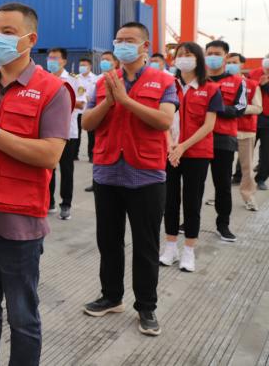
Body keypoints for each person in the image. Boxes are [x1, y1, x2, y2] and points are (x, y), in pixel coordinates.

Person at [0, 2, 73, 365]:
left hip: (18, 223)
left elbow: (50, 155)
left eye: (7, 32)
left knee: (23, 317)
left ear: (30, 39)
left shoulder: (53, 90)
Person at [81, 22, 176, 337]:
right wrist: (109, 101)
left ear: (145, 46)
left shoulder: (164, 80)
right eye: (118, 39)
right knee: (108, 241)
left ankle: (146, 306)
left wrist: (125, 100)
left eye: (129, 40)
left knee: (146, 245)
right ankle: (111, 296)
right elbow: (86, 123)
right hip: (107, 172)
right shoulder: (103, 81)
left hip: (146, 174)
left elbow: (164, 120)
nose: (122, 44)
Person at [160, 42, 222, 273]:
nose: (184, 58)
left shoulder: (211, 88)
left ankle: (189, 250)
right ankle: (170, 247)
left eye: (189, 54)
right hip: (170, 151)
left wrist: (183, 147)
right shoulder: (169, 85)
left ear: (198, 59)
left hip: (197, 153)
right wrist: (171, 146)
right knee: (169, 200)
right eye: (180, 54)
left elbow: (209, 125)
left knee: (192, 202)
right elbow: (164, 120)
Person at [203, 40, 246, 242]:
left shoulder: (238, 81)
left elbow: (240, 108)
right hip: (198, 138)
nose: (212, 56)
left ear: (226, 56)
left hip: (223, 139)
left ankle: (223, 225)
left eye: (217, 53)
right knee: (194, 185)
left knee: (222, 185)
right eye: (209, 53)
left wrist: (215, 107)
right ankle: (190, 221)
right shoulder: (197, 79)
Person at [46, 47, 86, 219]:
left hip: (67, 131)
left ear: (64, 61)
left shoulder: (74, 79)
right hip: (47, 131)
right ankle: (49, 202)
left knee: (66, 169)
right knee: (48, 168)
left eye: (55, 58)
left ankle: (66, 204)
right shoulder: (44, 78)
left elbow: (81, 103)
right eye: (49, 58)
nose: (51, 61)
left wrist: (59, 100)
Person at [229, 52, 262, 210]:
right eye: (228, 62)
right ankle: (218, 195)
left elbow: (258, 108)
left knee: (247, 167)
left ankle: (248, 196)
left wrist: (239, 109)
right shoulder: (220, 83)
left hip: (245, 130)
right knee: (221, 167)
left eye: (234, 62)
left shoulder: (252, 85)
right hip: (224, 131)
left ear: (242, 64)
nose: (231, 65)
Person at [83, 50, 119, 193]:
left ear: (115, 62)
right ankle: (95, 181)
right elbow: (89, 101)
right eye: (102, 59)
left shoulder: (121, 80)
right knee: (96, 150)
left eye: (108, 59)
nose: (104, 62)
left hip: (115, 128)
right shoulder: (98, 81)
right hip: (98, 122)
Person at [249, 55, 269, 191]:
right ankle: (238, 175)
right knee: (246, 149)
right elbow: (248, 91)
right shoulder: (253, 73)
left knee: (267, 152)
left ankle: (261, 178)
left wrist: (266, 85)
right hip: (253, 117)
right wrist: (258, 85)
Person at [76, 55, 97, 161]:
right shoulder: (75, 78)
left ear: (90, 67)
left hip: (90, 110)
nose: (82, 67)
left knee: (91, 135)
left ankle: (91, 155)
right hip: (78, 110)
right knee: (76, 134)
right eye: (81, 65)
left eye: (84, 65)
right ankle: (74, 154)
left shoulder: (95, 79)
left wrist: (90, 98)